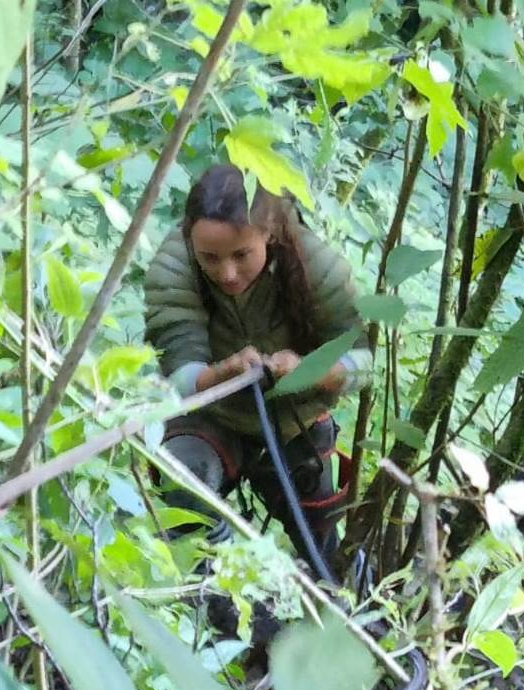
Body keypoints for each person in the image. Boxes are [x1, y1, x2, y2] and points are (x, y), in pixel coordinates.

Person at [143, 164, 371, 573]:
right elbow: (178, 376)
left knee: (325, 547)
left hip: (294, 423)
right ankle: (209, 598)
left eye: (241, 255)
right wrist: (224, 373)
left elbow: (363, 363)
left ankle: (347, 610)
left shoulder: (314, 263)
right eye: (209, 258)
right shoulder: (174, 265)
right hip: (210, 417)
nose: (226, 273)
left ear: (268, 234)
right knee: (184, 481)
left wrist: (308, 370)